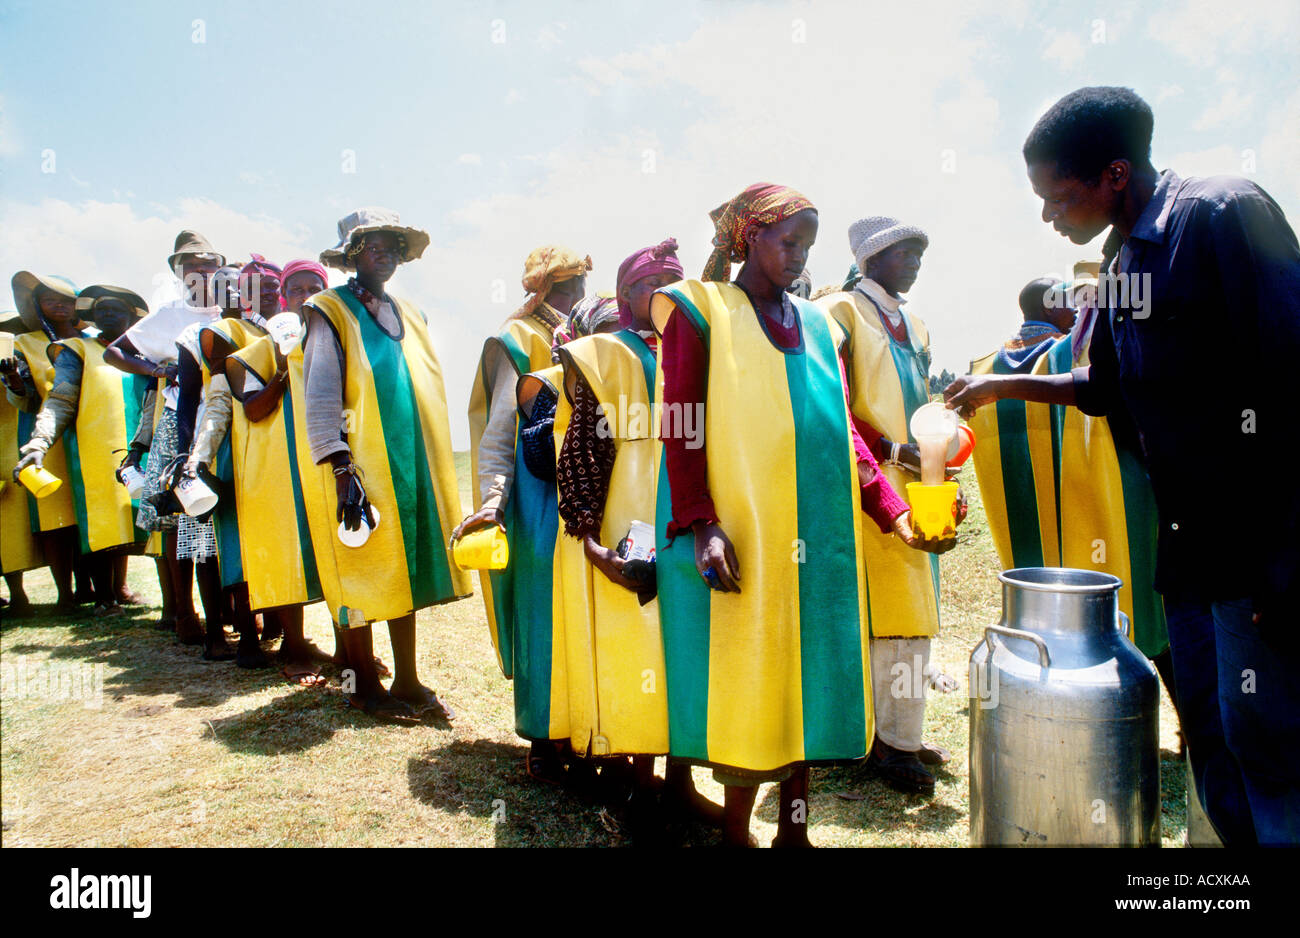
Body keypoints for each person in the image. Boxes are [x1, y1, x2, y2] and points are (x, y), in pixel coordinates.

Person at [946, 85, 1300, 845]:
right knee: (1211, 740)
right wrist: (996, 385)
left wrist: (1287, 559)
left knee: (1271, 753)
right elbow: (1101, 386)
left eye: (1056, 197)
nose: (1048, 216)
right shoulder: (1119, 257)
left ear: (1113, 174)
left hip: (1256, 552)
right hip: (1191, 554)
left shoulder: (1220, 214)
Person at [653, 183, 957, 847]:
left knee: (812, 678)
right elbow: (681, 426)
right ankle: (739, 833)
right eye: (787, 242)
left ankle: (795, 833)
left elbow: (844, 433)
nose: (797, 257)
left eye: (808, 246)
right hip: (744, 531)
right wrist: (703, 524)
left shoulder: (819, 325)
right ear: (747, 238)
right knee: (751, 678)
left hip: (819, 535)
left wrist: (898, 515)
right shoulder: (699, 312)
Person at [553, 238, 721, 835]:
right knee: (636, 656)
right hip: (624, 532)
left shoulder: (700, 350)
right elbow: (580, 458)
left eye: (676, 283)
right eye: (654, 283)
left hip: (690, 525)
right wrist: (593, 545)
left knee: (681, 656)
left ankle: (679, 785)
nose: (667, 295)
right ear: (624, 296)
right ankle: (637, 794)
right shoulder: (604, 355)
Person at [303, 208, 471, 722]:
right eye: (374, 246)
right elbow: (321, 393)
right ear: (352, 255)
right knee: (359, 566)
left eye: (393, 246)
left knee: (405, 567)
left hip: (409, 458)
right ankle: (363, 686)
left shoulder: (410, 312)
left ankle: (408, 676)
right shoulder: (328, 309)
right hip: (357, 463)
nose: (387, 255)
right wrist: (340, 466)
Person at [815, 216, 963, 795]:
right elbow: (835, 405)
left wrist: (940, 460)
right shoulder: (842, 313)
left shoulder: (917, 326)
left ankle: (900, 733)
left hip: (916, 482)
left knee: (913, 615)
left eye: (920, 251)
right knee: (879, 616)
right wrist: (890, 450)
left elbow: (923, 405)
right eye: (904, 251)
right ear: (870, 258)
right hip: (863, 483)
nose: (916, 260)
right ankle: (881, 741)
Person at [458, 243, 590, 779]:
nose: (577, 293)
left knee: (581, 613)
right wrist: (492, 502)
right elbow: (497, 434)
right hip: (537, 495)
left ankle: (584, 729)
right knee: (541, 614)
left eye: (580, 282)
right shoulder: (517, 341)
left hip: (588, 487)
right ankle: (542, 736)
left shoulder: (592, 329)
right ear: (546, 288)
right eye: (568, 284)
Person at [106, 231, 225, 643]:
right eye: (191, 267)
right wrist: (157, 371)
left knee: (219, 517)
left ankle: (227, 612)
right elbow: (114, 352)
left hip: (229, 420)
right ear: (178, 273)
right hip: (180, 423)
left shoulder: (231, 309)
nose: (201, 273)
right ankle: (184, 613)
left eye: (208, 265)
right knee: (182, 519)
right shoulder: (168, 315)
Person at [223, 258, 334, 685]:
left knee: (337, 549)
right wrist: (286, 370)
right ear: (285, 299)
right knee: (291, 548)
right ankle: (294, 643)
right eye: (298, 289)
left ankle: (349, 650)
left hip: (328, 458)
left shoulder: (337, 339)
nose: (306, 296)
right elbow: (252, 409)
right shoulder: (262, 347)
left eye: (314, 288)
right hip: (280, 465)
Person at [14, 286, 150, 614]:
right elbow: (59, 399)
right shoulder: (76, 350)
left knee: (138, 519)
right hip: (95, 451)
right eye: (101, 310)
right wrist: (40, 442)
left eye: (117, 309)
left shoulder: (148, 352)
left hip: (143, 448)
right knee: (102, 520)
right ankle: (104, 595)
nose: (108, 315)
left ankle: (142, 596)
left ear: (133, 315)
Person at [3, 273, 85, 612]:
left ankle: (101, 589)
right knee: (53, 516)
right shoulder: (25, 343)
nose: (59, 304)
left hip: (87, 431)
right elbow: (23, 395)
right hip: (44, 430)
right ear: (38, 305)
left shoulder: (93, 340)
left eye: (65, 298)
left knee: (87, 510)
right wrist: (12, 378)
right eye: (49, 298)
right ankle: (64, 593)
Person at [1, 313, 42, 613]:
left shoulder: (23, 362)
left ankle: (18, 594)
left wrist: (13, 377)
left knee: (12, 526)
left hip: (13, 445)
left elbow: (27, 396)